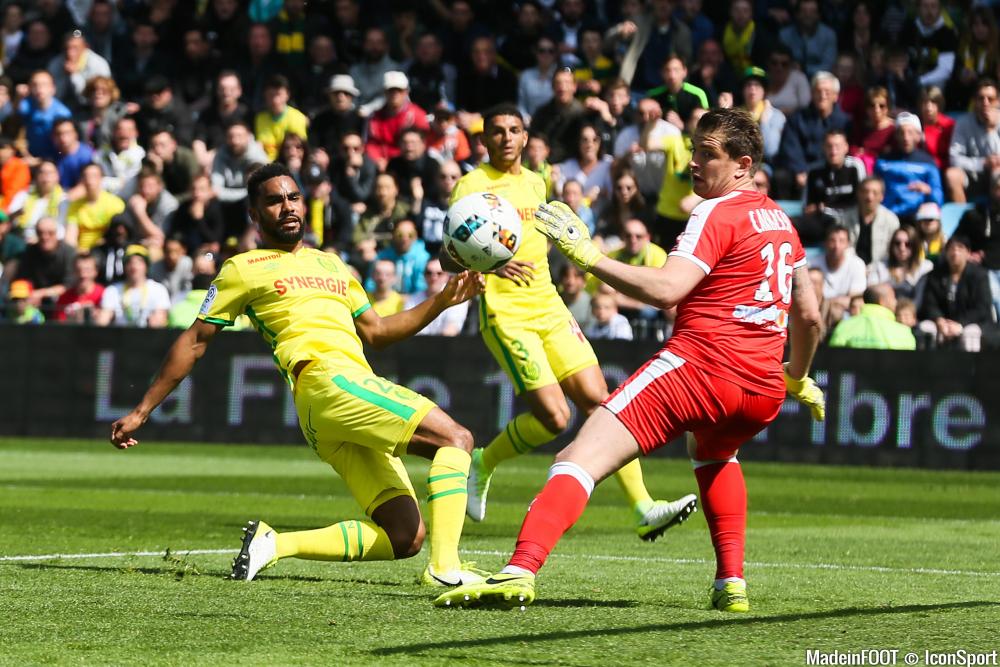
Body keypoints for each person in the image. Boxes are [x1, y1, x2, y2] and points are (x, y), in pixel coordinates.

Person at [435, 108, 825, 612]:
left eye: (708, 155)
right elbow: (810, 317)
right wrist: (796, 378)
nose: (694, 164)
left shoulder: (714, 211)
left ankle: (518, 571)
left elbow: (667, 290)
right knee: (714, 455)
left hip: (701, 369)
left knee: (575, 459)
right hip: (762, 389)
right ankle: (731, 583)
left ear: (742, 164)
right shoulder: (783, 223)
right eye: (693, 150)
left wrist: (588, 256)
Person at [110, 162, 488, 588]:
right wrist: (143, 410)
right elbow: (196, 340)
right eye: (273, 201)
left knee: (405, 536)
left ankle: (274, 545)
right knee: (456, 440)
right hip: (329, 380)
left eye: (293, 197)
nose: (287, 207)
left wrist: (440, 302)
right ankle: (447, 570)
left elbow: (378, 332)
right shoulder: (242, 268)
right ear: (254, 215)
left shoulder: (333, 266)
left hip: (327, 405)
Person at [449, 104, 694, 539]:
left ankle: (643, 506)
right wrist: (491, 265)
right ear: (484, 140)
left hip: (549, 305)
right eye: (497, 131)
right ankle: (483, 463)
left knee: (603, 402)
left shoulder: (537, 182)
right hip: (506, 313)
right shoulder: (471, 185)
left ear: (526, 138)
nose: (506, 138)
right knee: (554, 418)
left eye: (515, 130)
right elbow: (451, 248)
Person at [917, 234, 994, 352]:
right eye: (951, 248)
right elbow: (929, 303)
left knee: (970, 333)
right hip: (943, 323)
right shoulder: (935, 275)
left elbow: (982, 308)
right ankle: (926, 368)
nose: (955, 252)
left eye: (960, 248)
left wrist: (959, 324)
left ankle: (970, 370)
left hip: (971, 323)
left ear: (968, 253)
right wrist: (939, 320)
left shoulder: (980, 276)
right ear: (946, 253)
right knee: (926, 328)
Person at [944, 79, 1000, 205]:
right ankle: (965, 220)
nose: (985, 103)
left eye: (990, 99)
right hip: (973, 174)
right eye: (981, 98)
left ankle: (995, 219)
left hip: (997, 174)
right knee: (952, 175)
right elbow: (955, 158)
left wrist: (989, 129)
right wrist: (983, 163)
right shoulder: (963, 122)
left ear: (997, 101)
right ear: (974, 101)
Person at [94, 244, 170, 328]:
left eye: (139, 262)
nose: (134, 266)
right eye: (130, 262)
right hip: (120, 338)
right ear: (124, 267)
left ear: (146, 266)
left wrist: (156, 321)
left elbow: (160, 318)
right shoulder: (113, 290)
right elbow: (103, 319)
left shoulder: (159, 289)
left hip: (149, 337)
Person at [829, 284, 916, 350]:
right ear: (882, 302)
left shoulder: (844, 327)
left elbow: (834, 362)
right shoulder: (903, 332)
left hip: (852, 374)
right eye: (893, 298)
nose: (895, 302)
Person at [843, 177, 900, 266]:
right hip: (851, 268)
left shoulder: (891, 221)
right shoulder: (844, 219)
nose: (869, 197)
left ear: (882, 197)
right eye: (865, 192)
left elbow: (893, 252)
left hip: (882, 270)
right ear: (858, 193)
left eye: (875, 193)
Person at [867, 225, 933, 302]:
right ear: (892, 245)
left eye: (908, 244)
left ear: (915, 245)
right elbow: (871, 293)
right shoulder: (880, 267)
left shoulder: (926, 267)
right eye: (897, 243)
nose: (902, 248)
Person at [404, 259, 469, 337]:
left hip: (446, 346)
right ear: (424, 275)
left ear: (447, 276)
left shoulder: (457, 297)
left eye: (439, 273)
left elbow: (451, 330)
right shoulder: (413, 299)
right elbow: (407, 328)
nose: (433, 277)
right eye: (429, 273)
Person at [55, 252, 104, 323]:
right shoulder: (64, 298)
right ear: (73, 272)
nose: (83, 274)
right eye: (78, 270)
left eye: (87, 270)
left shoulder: (103, 295)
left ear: (95, 272)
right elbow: (58, 326)